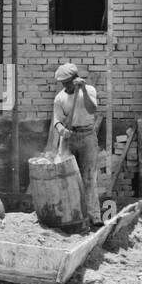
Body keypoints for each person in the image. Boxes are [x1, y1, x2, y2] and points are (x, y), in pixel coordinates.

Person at [52, 62, 102, 229]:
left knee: (88, 177)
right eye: (63, 83)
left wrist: (84, 91)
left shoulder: (89, 91)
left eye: (68, 82)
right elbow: (57, 121)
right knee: (66, 178)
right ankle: (68, 215)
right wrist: (61, 131)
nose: (66, 86)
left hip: (87, 137)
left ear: (76, 79)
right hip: (68, 138)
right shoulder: (60, 98)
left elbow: (92, 109)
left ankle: (94, 216)